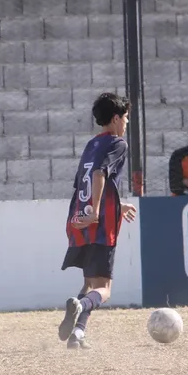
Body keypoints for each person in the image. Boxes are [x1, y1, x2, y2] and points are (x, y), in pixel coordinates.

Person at [57, 92, 137, 349]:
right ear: (115, 118)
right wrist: (96, 210)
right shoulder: (118, 143)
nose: (126, 123)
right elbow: (101, 173)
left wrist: (112, 204)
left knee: (89, 282)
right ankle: (80, 307)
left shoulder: (91, 144)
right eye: (125, 118)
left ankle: (78, 334)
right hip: (100, 224)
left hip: (79, 221)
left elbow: (84, 180)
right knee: (104, 289)